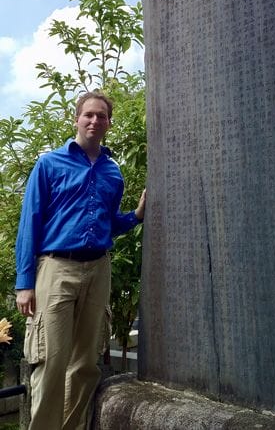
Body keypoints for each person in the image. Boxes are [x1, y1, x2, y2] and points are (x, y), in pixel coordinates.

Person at [15, 91, 146, 430]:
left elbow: (108, 222)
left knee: (86, 364)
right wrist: (25, 284)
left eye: (101, 116)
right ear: (76, 119)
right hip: (56, 268)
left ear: (108, 123)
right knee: (51, 362)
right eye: (88, 114)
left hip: (98, 268)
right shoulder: (50, 164)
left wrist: (135, 216)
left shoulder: (112, 172)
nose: (94, 121)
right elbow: (30, 223)